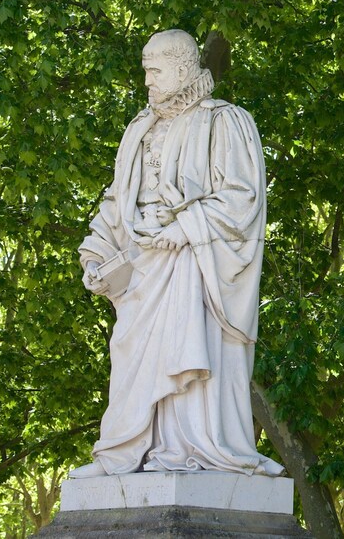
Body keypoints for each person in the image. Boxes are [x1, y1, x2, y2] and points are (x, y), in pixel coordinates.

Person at [70, 29, 283, 478]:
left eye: (154, 70)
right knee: (130, 357)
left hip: (194, 263)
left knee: (191, 355)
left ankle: (197, 451)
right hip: (142, 266)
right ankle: (127, 452)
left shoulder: (225, 121)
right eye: (145, 70)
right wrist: (96, 252)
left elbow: (242, 197)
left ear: (184, 67)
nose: (146, 80)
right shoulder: (138, 129)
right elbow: (117, 201)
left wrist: (186, 227)